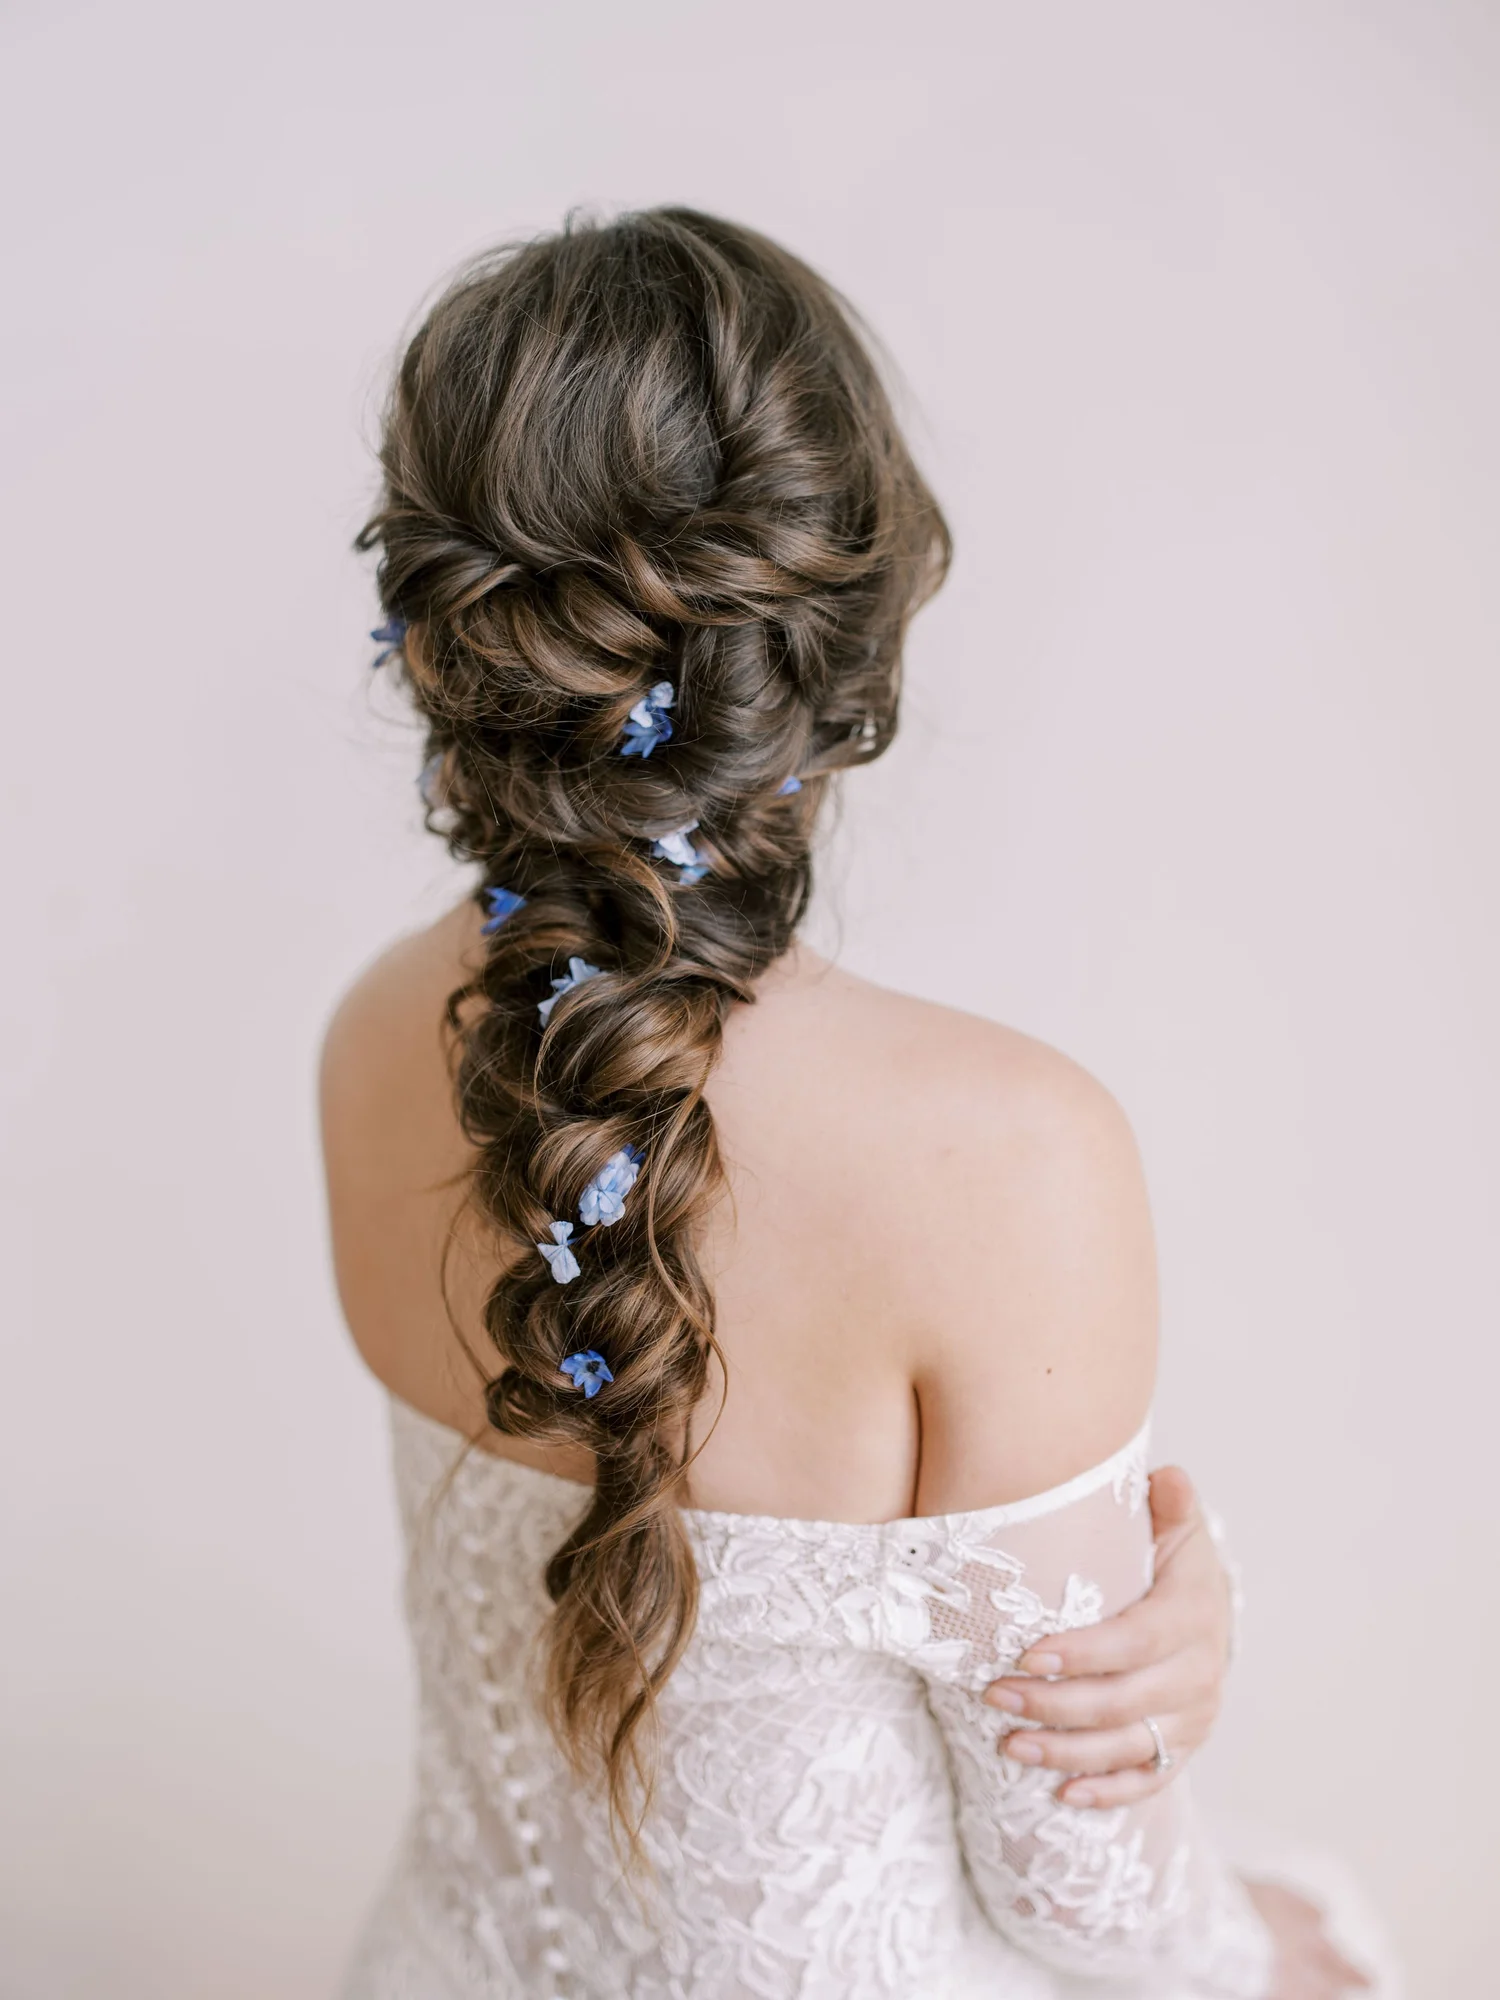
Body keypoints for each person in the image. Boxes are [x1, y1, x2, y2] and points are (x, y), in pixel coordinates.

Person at [322, 208, 1384, 1998]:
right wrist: (1234, 1812)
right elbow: (1089, 1901)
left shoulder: (372, 1037)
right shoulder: (1003, 1159)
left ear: (447, 642)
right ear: (838, 648)